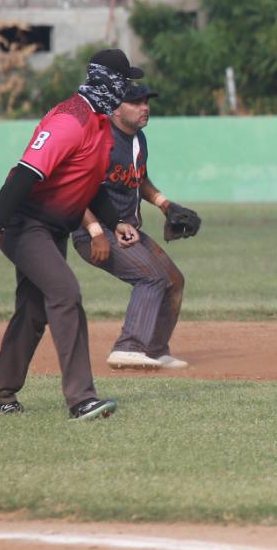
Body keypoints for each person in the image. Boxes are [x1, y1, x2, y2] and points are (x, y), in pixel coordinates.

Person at [0, 47, 144, 420]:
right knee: (65, 293)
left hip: (53, 228)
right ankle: (82, 399)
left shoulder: (99, 125)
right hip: (24, 224)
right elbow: (25, 173)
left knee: (32, 310)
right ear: (108, 82)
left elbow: (89, 184)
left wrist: (116, 222)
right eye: (125, 81)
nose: (128, 88)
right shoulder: (69, 120)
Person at [72, 83, 194, 370]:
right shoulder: (101, 142)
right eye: (136, 102)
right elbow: (76, 191)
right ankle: (128, 347)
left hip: (126, 230)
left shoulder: (138, 139)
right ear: (115, 108)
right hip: (93, 232)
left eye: (146, 102)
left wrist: (165, 205)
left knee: (174, 280)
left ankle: (154, 350)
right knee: (152, 277)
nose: (145, 107)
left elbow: (139, 179)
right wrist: (95, 232)